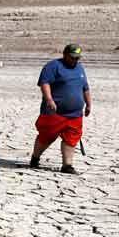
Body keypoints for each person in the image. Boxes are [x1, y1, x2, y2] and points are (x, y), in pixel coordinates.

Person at [30, 44, 91, 174]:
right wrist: (49, 100)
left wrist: (89, 104)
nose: (75, 60)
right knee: (47, 136)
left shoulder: (80, 68)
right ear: (65, 54)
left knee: (71, 138)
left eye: (77, 58)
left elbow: (85, 87)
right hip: (54, 112)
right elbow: (44, 83)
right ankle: (35, 158)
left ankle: (67, 165)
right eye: (72, 57)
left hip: (75, 114)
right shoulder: (53, 66)